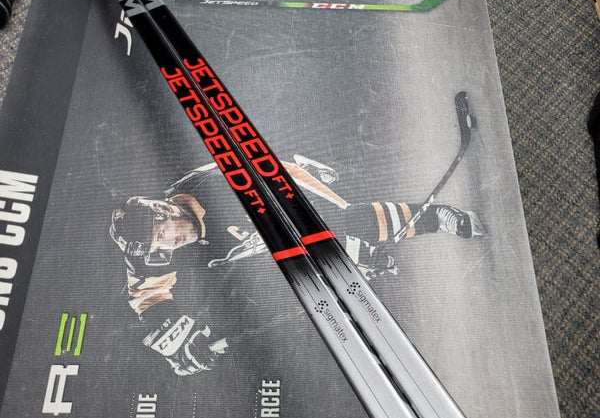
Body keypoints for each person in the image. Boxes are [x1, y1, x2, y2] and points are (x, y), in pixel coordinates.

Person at [110, 157, 483, 377]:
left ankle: (434, 216)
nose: (169, 242)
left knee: (342, 221)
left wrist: (352, 252)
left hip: (273, 183)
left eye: (164, 232)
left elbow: (300, 227)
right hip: (247, 243)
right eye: (159, 244)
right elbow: (147, 299)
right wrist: (183, 348)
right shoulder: (151, 252)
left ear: (168, 210)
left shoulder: (218, 188)